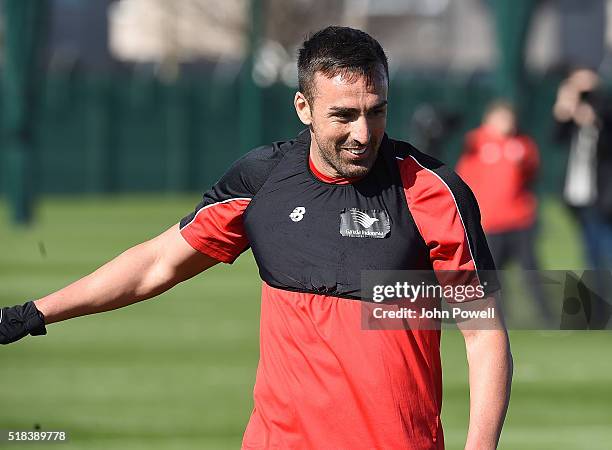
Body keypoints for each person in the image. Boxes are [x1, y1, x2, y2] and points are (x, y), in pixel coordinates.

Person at [1, 27, 512, 449]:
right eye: (343, 115)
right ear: (304, 108)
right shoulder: (262, 180)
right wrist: (36, 313)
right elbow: (156, 264)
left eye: (375, 111)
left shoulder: (432, 192)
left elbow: (483, 333)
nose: (362, 132)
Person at [456, 100, 554, 325]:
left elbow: (532, 172)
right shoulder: (476, 142)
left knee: (530, 270)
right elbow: (465, 176)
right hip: (491, 222)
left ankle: (546, 316)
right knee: (492, 274)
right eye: (501, 119)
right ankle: (498, 314)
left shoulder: (522, 144)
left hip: (520, 220)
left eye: (509, 119)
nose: (506, 124)